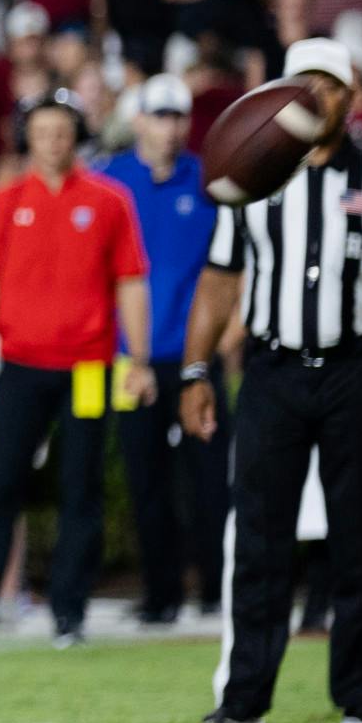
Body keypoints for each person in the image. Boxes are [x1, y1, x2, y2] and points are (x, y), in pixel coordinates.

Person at [184, 38, 362, 723]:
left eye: (330, 85)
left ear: (353, 94)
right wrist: (195, 369)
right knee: (258, 536)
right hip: (272, 370)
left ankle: (361, 690)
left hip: (356, 370)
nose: (317, 97)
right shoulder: (251, 175)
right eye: (303, 84)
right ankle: (244, 696)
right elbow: (219, 280)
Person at [0, 92, 154, 648]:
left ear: (75, 137)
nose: (52, 143)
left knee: (81, 486)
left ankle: (70, 612)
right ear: (28, 137)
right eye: (42, 132)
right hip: (19, 364)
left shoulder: (109, 200)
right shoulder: (6, 201)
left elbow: (131, 282)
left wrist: (136, 358)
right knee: (0, 486)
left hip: (88, 366)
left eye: (62, 132)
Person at [97, 76, 227, 624]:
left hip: (197, 353)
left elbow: (231, 272)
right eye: (161, 115)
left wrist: (228, 338)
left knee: (209, 477)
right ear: (139, 120)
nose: (171, 126)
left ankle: (218, 592)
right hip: (133, 357)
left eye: (179, 116)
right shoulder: (109, 180)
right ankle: (160, 595)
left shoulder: (211, 182)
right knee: (145, 476)